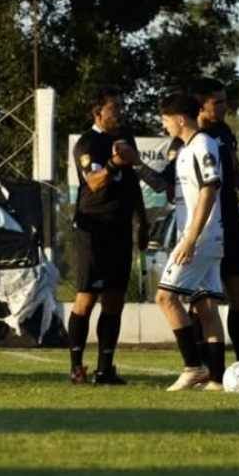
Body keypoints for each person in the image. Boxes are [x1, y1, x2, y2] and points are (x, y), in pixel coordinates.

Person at [189, 78, 239, 368]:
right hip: (204, 229)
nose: (225, 107)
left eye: (225, 100)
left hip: (232, 224)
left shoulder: (224, 132)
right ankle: (202, 366)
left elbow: (234, 170)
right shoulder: (190, 138)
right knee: (201, 301)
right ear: (201, 106)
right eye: (218, 102)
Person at [66, 87, 143, 385]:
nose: (120, 112)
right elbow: (95, 182)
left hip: (121, 228)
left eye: (121, 106)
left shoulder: (125, 138)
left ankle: (104, 369)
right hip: (92, 229)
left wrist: (143, 220)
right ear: (98, 113)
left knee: (115, 300)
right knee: (86, 299)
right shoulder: (88, 143)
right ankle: (76, 366)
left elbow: (132, 182)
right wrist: (114, 163)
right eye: (114, 108)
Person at [155, 93, 226, 391]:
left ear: (179, 119)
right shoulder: (185, 149)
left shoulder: (204, 144)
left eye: (165, 120)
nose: (164, 125)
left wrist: (191, 239)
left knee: (165, 297)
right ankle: (217, 379)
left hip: (201, 239)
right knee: (206, 308)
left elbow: (210, 189)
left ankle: (193, 366)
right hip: (203, 238)